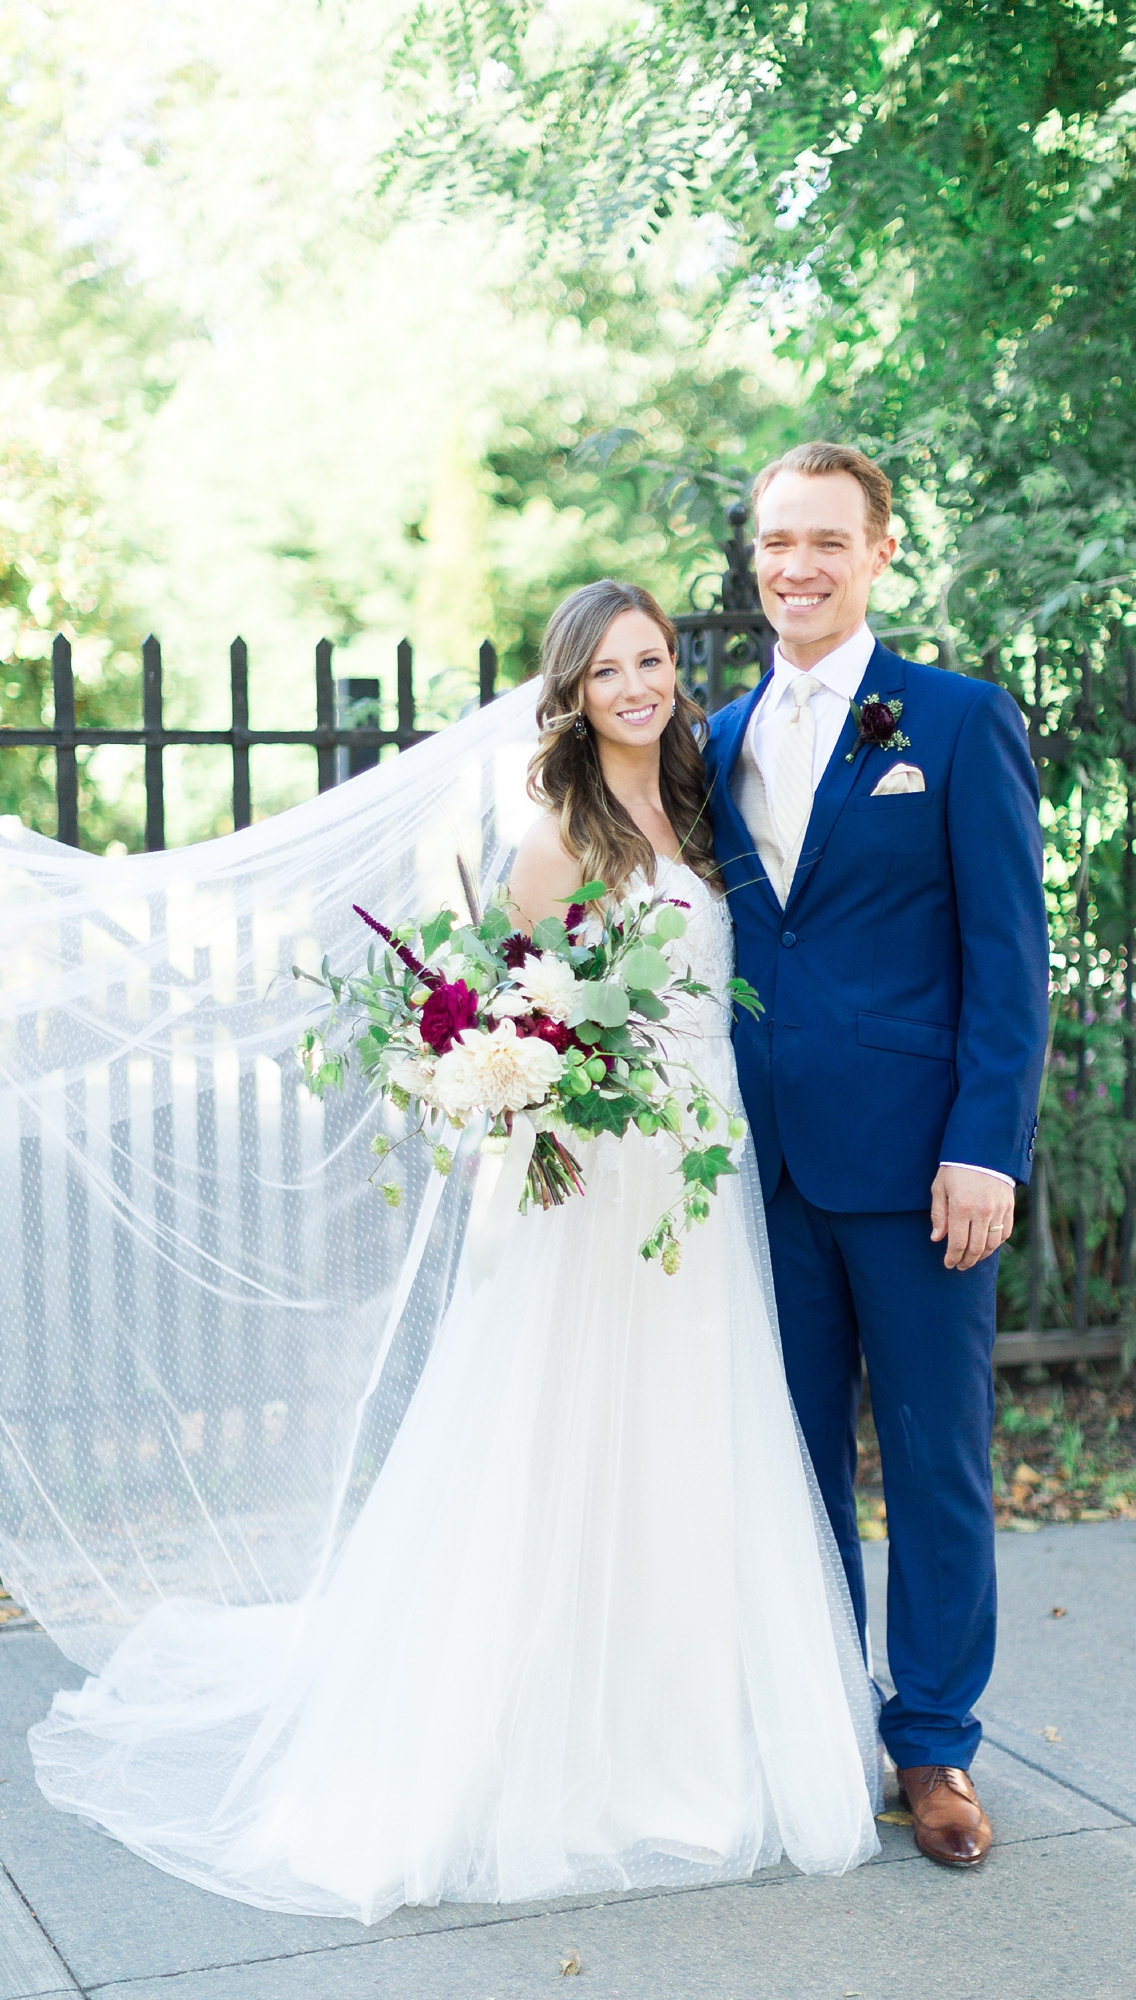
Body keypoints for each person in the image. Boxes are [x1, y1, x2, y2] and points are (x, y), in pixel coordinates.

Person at [28, 579, 880, 1923]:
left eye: (652, 661)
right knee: (567, 1429)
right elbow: (505, 1005)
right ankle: (550, 1744)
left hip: (701, 1164)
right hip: (604, 1173)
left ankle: (694, 1721)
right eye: (607, 671)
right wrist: (535, 1093)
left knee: (691, 1431)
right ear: (572, 690)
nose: (637, 687)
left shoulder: (701, 806)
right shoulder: (559, 832)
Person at [704, 443, 1049, 1869]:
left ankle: (935, 1750)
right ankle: (806, 1733)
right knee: (782, 1472)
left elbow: (1008, 957)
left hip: (920, 1175)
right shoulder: (709, 736)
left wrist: (985, 1145)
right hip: (757, 1170)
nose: (796, 565)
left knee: (933, 1468)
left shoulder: (955, 724)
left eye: (825, 541)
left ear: (878, 551)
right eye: (777, 541)